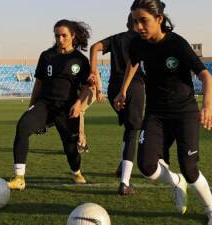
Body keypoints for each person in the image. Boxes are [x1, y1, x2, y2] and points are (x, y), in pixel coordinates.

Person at [114, 0, 212, 224]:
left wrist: (208, 106)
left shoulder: (177, 44)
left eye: (143, 21)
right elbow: (133, 63)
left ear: (159, 19)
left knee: (190, 168)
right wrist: (123, 91)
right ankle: (176, 182)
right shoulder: (137, 43)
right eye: (135, 21)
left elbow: (206, 77)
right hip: (155, 112)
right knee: (146, 167)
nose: (139, 27)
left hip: (184, 112)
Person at [8, 19, 92, 190]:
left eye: (64, 35)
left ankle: (76, 172)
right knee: (23, 126)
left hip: (67, 108)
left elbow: (85, 87)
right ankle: (19, 177)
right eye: (57, 35)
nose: (60, 39)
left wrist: (78, 104)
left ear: (73, 36)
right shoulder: (46, 56)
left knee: (71, 149)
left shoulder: (80, 60)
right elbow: (38, 84)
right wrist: (31, 107)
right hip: (44, 105)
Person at [89, 14, 145, 195]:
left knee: (128, 127)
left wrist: (92, 70)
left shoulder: (116, 38)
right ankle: (125, 183)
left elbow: (94, 47)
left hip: (113, 88)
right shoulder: (143, 39)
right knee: (132, 130)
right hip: (132, 86)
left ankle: (122, 167)